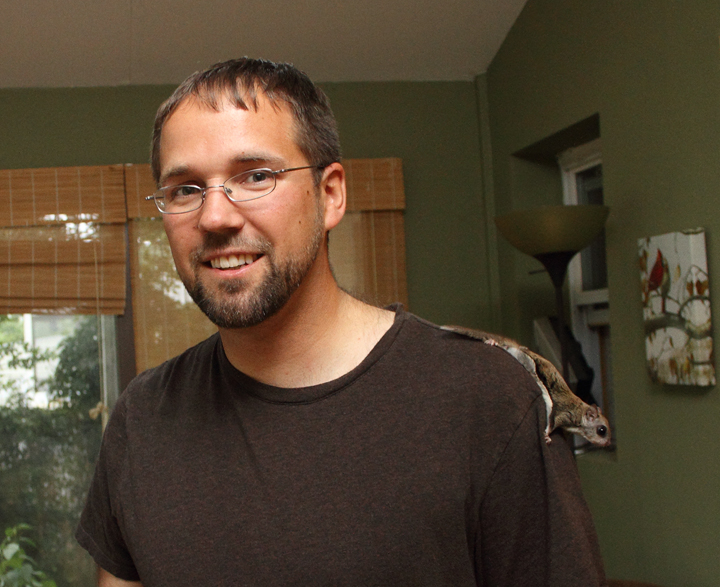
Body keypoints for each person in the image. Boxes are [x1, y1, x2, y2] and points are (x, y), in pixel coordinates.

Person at [76, 57, 607, 586]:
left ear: (330, 195)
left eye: (256, 176)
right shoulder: (142, 420)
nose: (215, 216)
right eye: (185, 189)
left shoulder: (490, 401)